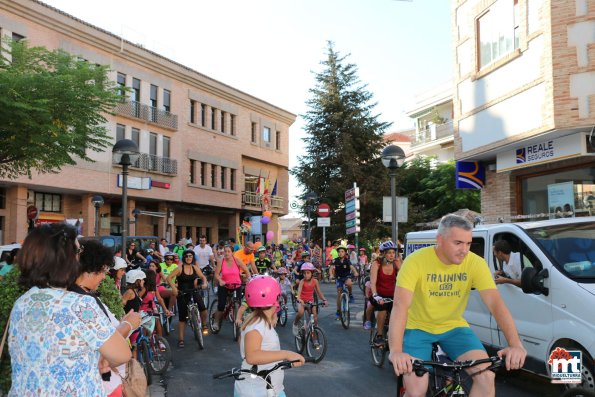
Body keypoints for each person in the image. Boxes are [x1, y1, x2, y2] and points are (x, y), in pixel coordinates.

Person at [389, 215, 527, 397]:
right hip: (417, 328)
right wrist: (396, 351)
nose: (465, 250)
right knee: (416, 391)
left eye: (468, 243)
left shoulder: (475, 263)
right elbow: (400, 306)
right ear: (440, 240)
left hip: (454, 328)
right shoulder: (415, 261)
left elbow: (496, 304)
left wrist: (515, 344)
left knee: (486, 377)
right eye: (458, 243)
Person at [8, 223, 131, 396]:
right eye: (78, 252)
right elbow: (121, 355)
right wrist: (128, 324)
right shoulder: (79, 305)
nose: (80, 258)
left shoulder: (22, 302)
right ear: (65, 259)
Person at [71, 239, 142, 397]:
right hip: (104, 385)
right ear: (89, 269)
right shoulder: (82, 301)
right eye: (102, 271)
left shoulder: (82, 296)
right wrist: (128, 325)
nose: (104, 277)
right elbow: (107, 344)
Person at [235, 275, 305, 397]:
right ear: (275, 298)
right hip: (256, 391)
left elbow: (261, 351)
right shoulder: (257, 325)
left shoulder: (258, 322)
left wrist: (285, 362)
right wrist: (287, 354)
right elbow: (251, 356)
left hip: (270, 388)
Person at [167, 249, 209, 347]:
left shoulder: (195, 267)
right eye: (186, 256)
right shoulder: (179, 268)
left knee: (202, 307)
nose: (188, 258)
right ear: (184, 258)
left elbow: (203, 277)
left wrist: (205, 283)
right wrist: (174, 288)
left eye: (190, 256)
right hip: (182, 293)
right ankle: (181, 339)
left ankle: (204, 325)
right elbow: (169, 278)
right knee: (182, 317)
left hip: (193, 291)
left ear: (193, 257)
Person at [367, 241, 401, 346]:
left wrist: (400, 267)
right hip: (378, 295)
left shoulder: (396, 263)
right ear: (383, 254)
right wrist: (376, 295)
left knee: (399, 313)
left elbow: (404, 280)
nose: (392, 255)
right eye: (389, 253)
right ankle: (380, 335)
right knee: (382, 309)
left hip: (392, 295)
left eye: (393, 252)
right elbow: (372, 282)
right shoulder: (376, 264)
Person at [213, 245, 252, 332]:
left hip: (236, 285)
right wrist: (220, 280)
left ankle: (237, 318)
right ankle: (216, 322)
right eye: (225, 251)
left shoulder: (237, 260)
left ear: (232, 253)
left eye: (228, 251)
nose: (226, 253)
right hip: (224, 285)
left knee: (238, 302)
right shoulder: (221, 261)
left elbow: (246, 270)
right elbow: (216, 274)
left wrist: (249, 279)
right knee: (221, 305)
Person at [292, 263, 328, 337]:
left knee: (314, 317)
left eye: (308, 273)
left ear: (312, 273)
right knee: (301, 312)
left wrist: (324, 300)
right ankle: (295, 323)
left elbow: (319, 292)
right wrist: (299, 299)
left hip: (310, 301)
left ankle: (313, 331)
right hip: (301, 301)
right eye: (304, 273)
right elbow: (298, 293)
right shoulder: (302, 281)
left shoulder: (315, 281)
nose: (306, 275)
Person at [330, 245, 359, 318]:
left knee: (349, 283)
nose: (340, 253)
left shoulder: (347, 260)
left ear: (345, 253)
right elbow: (331, 268)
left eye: (342, 251)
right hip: (339, 278)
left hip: (346, 277)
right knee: (339, 292)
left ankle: (350, 294)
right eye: (339, 252)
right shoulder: (335, 260)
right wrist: (331, 275)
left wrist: (355, 272)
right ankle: (338, 311)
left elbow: (352, 267)